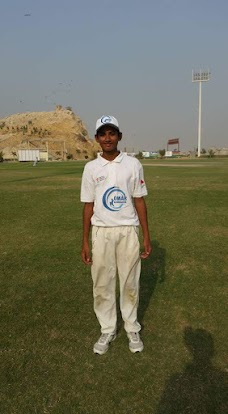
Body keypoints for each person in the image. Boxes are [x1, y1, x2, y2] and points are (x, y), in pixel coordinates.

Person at [80, 115, 152, 355]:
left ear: (119, 136)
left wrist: (146, 236)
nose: (107, 138)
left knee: (130, 282)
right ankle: (107, 328)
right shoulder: (91, 168)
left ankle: (132, 327)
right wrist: (85, 241)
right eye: (103, 134)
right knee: (102, 283)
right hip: (101, 232)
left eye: (112, 133)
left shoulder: (132, 164)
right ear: (97, 139)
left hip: (127, 231)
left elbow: (139, 200)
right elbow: (88, 205)